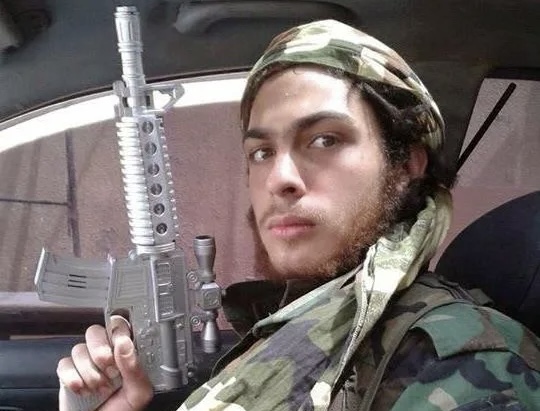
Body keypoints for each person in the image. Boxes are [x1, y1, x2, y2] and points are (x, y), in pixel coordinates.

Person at [56, 20, 540, 411]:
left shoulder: (461, 367)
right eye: (261, 152)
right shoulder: (298, 319)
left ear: (405, 166)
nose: (280, 179)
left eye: (325, 140)